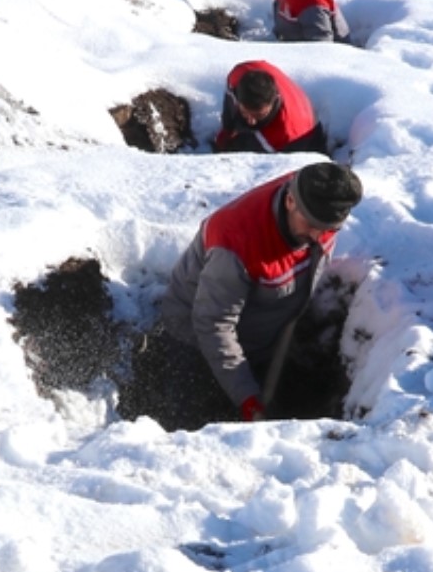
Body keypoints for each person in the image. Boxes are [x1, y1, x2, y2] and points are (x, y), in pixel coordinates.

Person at [152, 158, 363, 424]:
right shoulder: (237, 244)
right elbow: (214, 325)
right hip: (197, 341)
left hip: (263, 334)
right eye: (311, 224)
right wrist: (247, 397)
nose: (318, 236)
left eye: (329, 230)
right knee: (193, 420)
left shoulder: (320, 197)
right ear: (290, 201)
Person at [213, 60, 328, 157]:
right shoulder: (239, 73)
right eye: (245, 112)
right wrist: (228, 128)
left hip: (303, 139)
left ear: (274, 101)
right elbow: (229, 98)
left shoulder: (284, 133)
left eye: (259, 115)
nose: (251, 121)